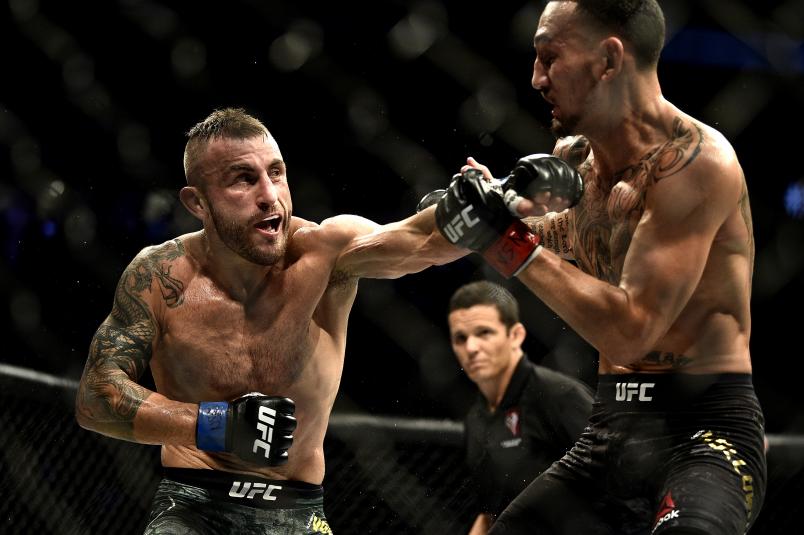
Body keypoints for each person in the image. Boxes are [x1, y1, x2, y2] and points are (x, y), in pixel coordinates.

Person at [432, 1, 767, 534]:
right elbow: (543, 240)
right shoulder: (577, 164)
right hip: (608, 429)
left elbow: (631, 331)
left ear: (609, 60)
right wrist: (474, 211)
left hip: (703, 434)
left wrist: (502, 242)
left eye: (550, 58)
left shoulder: (696, 164)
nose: (536, 79)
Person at [72, 107, 484, 535]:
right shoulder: (159, 276)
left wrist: (488, 204)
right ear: (197, 202)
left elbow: (421, 241)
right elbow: (95, 397)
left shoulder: (325, 253)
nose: (270, 195)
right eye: (243, 179)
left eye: (277, 173)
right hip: (192, 502)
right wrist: (220, 427)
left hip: (297, 510)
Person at [447, 280, 593, 534]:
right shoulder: (476, 419)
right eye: (461, 338)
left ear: (515, 335)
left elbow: (617, 484)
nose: (471, 348)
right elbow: (489, 513)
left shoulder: (558, 395)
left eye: (484, 333)